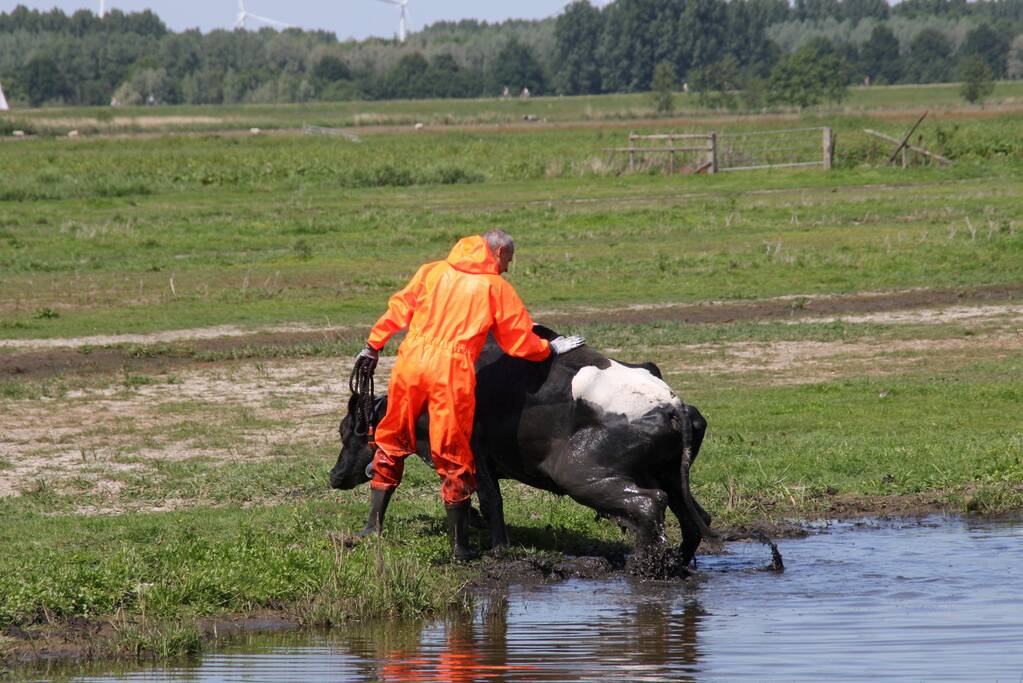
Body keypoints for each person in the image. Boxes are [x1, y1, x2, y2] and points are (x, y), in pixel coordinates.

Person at [354, 229, 584, 559]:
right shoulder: (494, 288)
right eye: (508, 260)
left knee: (392, 438)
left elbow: (399, 308)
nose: (507, 268)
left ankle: (372, 527)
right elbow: (517, 338)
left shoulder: (432, 270)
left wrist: (372, 345)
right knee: (453, 453)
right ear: (499, 250)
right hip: (450, 370)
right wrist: (549, 348)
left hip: (410, 363)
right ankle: (459, 547)